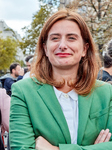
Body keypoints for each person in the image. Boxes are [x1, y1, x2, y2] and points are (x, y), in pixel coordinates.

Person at [9, 9, 112, 150]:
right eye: (55, 38)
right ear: (45, 48)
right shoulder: (23, 91)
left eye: (71, 38)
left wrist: (55, 149)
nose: (62, 45)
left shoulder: (106, 92)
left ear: (84, 48)